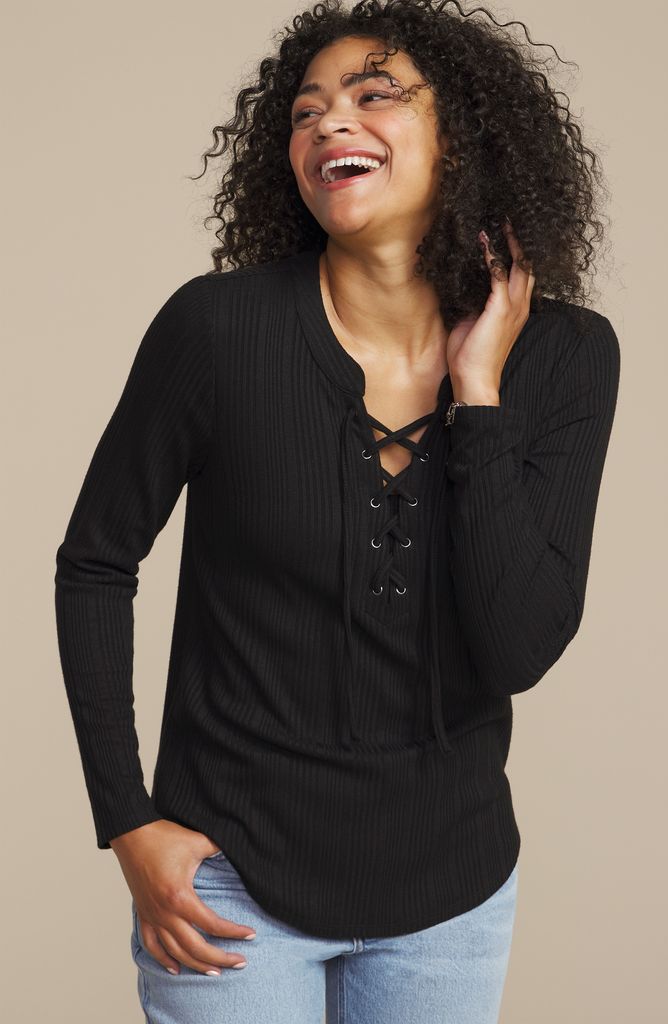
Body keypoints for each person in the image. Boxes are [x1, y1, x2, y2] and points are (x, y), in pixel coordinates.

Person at [54, 2, 620, 1021]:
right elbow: (96, 561)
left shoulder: (566, 356)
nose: (329, 123)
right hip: (228, 883)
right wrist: (125, 821)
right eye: (306, 111)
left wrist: (479, 395)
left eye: (374, 95)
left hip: (451, 893)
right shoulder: (217, 331)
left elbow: (518, 645)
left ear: (462, 136)